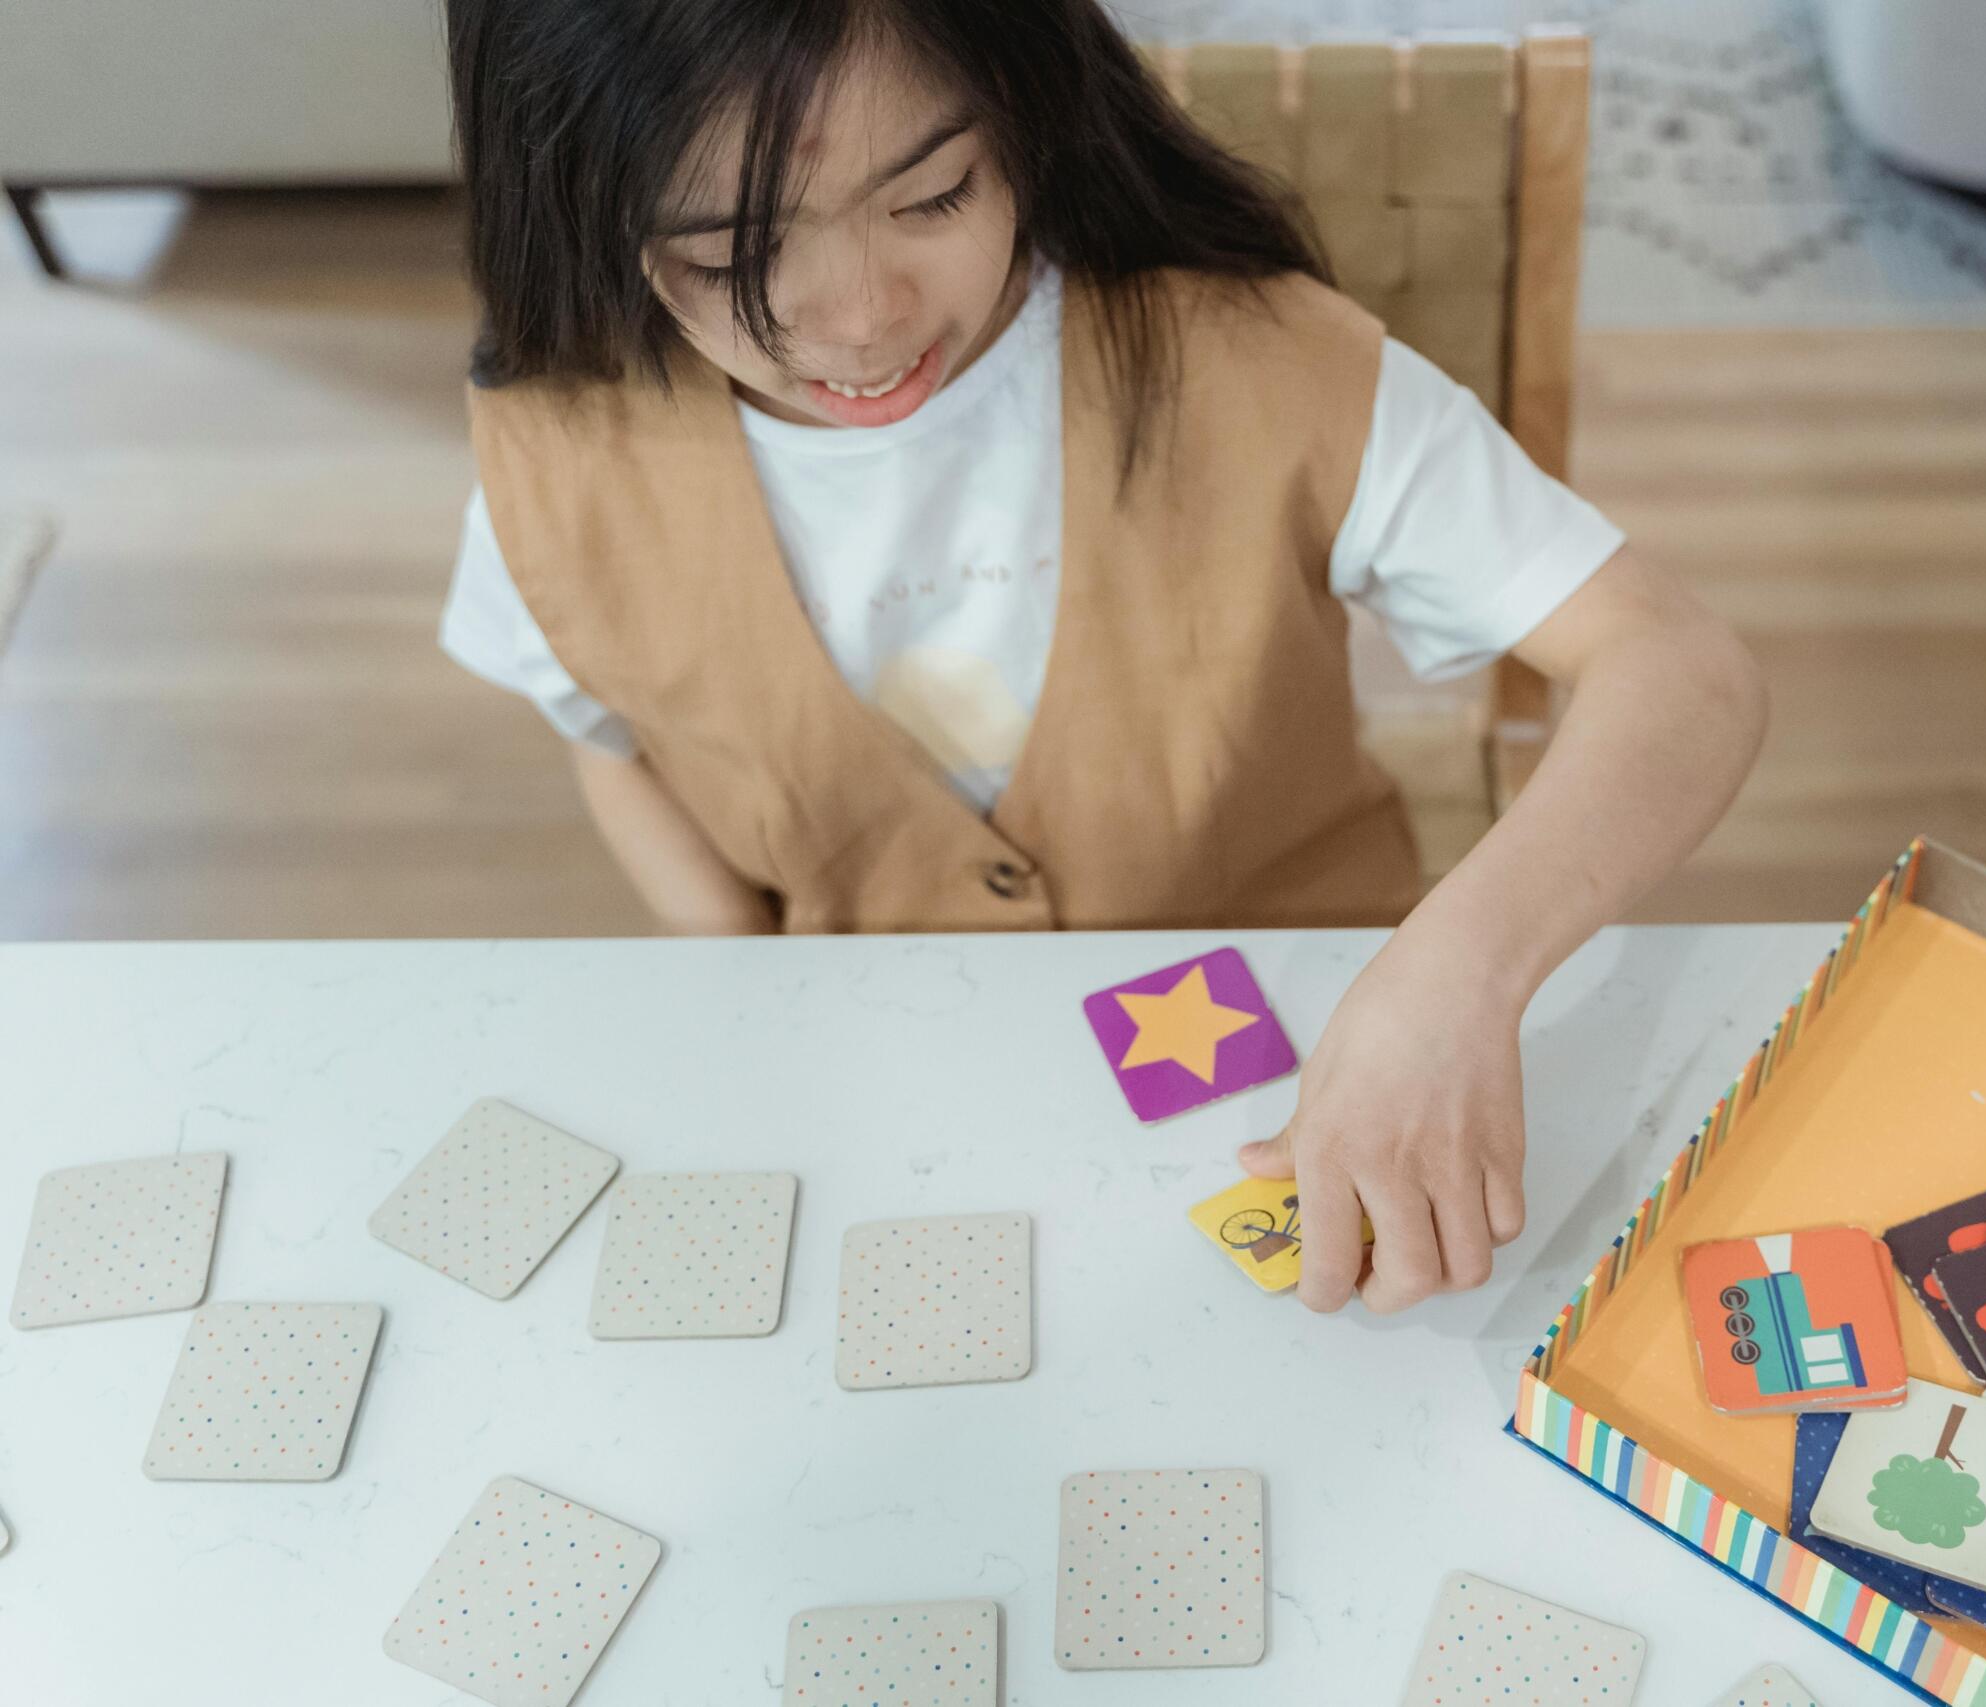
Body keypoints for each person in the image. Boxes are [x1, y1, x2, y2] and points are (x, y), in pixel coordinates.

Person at [437, 0, 1766, 1315]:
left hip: (1306, 1052)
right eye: (734, 259)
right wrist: (739, 984)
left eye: (933, 198)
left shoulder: (1260, 362)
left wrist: (1457, 971)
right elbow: (609, 736)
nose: (858, 317)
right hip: (899, 1102)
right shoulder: (561, 465)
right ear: (583, 209)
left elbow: (1682, 668)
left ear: (1025, 116)